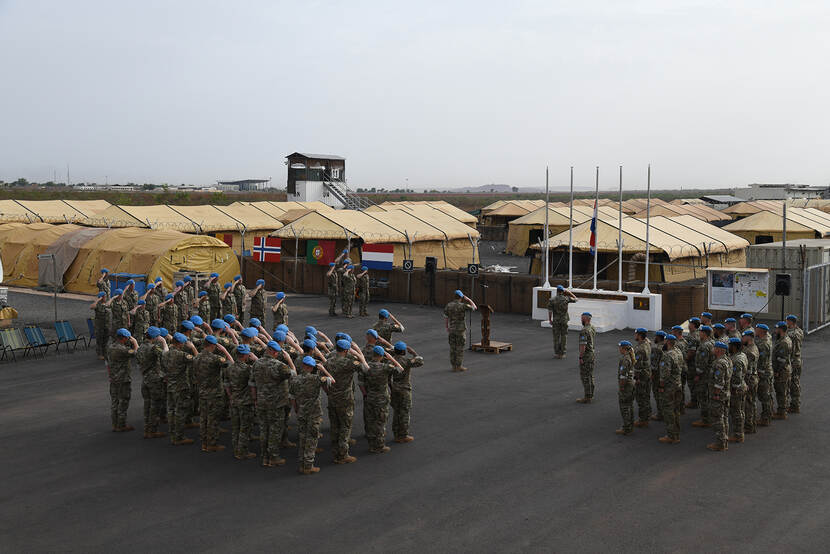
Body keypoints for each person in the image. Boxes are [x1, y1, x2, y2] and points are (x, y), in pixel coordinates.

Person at [252, 340, 296, 467]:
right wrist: (289, 360)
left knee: (264, 430)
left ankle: (264, 456)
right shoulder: (279, 365)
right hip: (276, 404)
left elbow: (252, 383)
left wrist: (255, 399)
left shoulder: (257, 363)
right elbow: (293, 374)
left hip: (261, 402)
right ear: (273, 352)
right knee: (275, 430)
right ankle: (273, 457)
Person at [326, 338, 369, 464]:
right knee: (345, 426)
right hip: (345, 398)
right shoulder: (348, 363)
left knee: (335, 426)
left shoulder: (329, 361)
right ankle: (343, 455)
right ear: (346, 350)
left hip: (332, 396)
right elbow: (366, 368)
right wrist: (358, 354)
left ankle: (335, 453)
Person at [290, 356, 335, 474]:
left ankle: (302, 464)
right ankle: (308, 466)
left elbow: (292, 398)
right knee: (312, 439)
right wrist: (323, 370)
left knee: (303, 438)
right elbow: (332, 380)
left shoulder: (295, 380)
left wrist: (296, 409)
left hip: (301, 412)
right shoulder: (316, 379)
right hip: (313, 413)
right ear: (312, 367)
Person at [193, 334, 233, 453]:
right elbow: (232, 364)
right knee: (213, 419)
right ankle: (211, 443)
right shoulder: (215, 358)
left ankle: (204, 442)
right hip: (214, 393)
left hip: (202, 390)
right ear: (212, 345)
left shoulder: (197, 357)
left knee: (203, 417)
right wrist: (225, 351)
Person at [361, 345, 405, 453]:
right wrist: (390, 358)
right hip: (381, 398)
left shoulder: (367, 367)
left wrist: (365, 394)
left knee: (371, 421)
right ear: (382, 355)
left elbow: (361, 383)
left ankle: (371, 445)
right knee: (380, 422)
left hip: (370, 396)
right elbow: (400, 368)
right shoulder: (385, 367)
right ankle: (379, 446)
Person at [163, 332, 198, 446]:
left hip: (170, 385)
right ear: (180, 344)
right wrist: (193, 348)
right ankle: (179, 436)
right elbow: (198, 360)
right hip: (180, 386)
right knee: (180, 412)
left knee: (171, 410)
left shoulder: (166, 354)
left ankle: (172, 433)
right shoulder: (181, 355)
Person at [225, 344, 258, 459]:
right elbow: (255, 379)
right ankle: (242, 452)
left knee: (235, 427)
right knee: (245, 427)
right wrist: (256, 360)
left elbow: (227, 385)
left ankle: (236, 449)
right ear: (245, 355)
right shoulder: (247, 369)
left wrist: (230, 397)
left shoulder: (229, 368)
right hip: (245, 402)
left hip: (234, 400)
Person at [136, 327, 168, 439]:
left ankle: (147, 429)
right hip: (154, 380)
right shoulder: (153, 348)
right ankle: (152, 430)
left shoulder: (140, 347)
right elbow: (166, 355)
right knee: (155, 405)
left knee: (147, 405)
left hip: (145, 378)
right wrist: (164, 342)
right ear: (155, 337)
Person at [390, 341, 424, 443]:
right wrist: (414, 353)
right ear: (404, 352)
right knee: (404, 412)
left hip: (394, 388)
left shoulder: (391, 361)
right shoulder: (407, 361)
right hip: (404, 390)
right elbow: (420, 361)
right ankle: (403, 435)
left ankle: (396, 434)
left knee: (396, 412)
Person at [107, 328, 138, 432]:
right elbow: (136, 353)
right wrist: (135, 342)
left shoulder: (110, 347)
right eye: (128, 338)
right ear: (124, 338)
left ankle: (115, 424)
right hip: (123, 379)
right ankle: (121, 425)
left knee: (114, 402)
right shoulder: (122, 349)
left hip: (113, 378)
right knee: (123, 401)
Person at [707, 341, 733, 452]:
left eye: (714, 348)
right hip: (726, 394)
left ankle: (720, 443)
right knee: (724, 417)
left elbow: (719, 382)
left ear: (718, 350)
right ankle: (724, 440)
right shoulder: (727, 360)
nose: (713, 349)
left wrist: (716, 394)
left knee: (718, 418)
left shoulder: (719, 363)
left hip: (719, 395)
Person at [657, 334, 682, 444]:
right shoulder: (678, 352)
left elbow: (665, 374)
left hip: (669, 388)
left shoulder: (667, 355)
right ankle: (676, 433)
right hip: (677, 385)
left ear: (667, 342)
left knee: (668, 411)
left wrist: (661, 386)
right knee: (676, 410)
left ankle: (671, 435)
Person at [443, 290, 477, 372]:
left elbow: (446, 317)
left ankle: (453, 366)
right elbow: (474, 307)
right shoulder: (462, 306)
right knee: (460, 348)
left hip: (452, 329)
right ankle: (458, 366)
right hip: (460, 330)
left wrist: (447, 327)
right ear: (461, 297)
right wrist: (468, 299)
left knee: (452, 348)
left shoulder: (449, 305)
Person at [691, 325, 715, 429]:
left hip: (704, 375)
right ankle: (709, 417)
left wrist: (698, 375)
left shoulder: (704, 346)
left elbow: (702, 363)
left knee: (703, 396)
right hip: (710, 373)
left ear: (704, 333)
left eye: (700, 332)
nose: (699, 333)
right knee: (708, 395)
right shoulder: (713, 342)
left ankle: (706, 419)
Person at [547, 285, 577, 358]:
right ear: (563, 291)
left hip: (556, 320)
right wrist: (569, 293)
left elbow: (550, 311)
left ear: (557, 291)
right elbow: (576, 299)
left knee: (556, 337)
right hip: (564, 320)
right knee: (564, 336)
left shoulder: (552, 300)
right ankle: (562, 353)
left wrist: (550, 319)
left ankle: (557, 353)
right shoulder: (566, 298)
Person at [727, 337, 747, 444]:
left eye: (729, 345)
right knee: (739, 411)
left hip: (737, 389)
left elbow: (737, 377)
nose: (728, 347)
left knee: (737, 412)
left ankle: (738, 435)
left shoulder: (737, 360)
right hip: (740, 387)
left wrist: (734, 388)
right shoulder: (741, 355)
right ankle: (739, 433)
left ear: (734, 346)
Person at [755, 324, 774, 426]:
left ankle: (766, 418)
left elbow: (762, 361)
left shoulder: (763, 344)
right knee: (767, 394)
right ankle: (768, 414)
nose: (755, 330)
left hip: (764, 373)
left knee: (764, 395)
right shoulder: (767, 338)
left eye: (757, 329)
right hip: (767, 371)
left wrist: (759, 373)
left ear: (761, 331)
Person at [772, 322, 792, 420]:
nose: (775, 331)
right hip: (785, 369)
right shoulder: (784, 339)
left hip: (782, 371)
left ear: (780, 329)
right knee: (783, 391)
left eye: (776, 329)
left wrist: (777, 371)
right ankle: (783, 410)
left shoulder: (783, 342)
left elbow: (782, 360)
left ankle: (782, 412)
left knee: (781, 391)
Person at [616, 340, 636, 436]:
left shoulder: (625, 359)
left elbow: (623, 376)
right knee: (630, 406)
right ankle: (630, 425)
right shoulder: (630, 357)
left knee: (624, 407)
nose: (619, 349)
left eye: (620, 347)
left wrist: (621, 387)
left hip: (626, 386)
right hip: (631, 384)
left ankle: (627, 427)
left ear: (623, 348)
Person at [632, 328, 652, 427]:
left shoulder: (639, 349)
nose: (634, 335)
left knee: (641, 398)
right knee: (646, 396)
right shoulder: (647, 343)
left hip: (642, 376)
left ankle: (643, 420)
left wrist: (636, 378)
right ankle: (647, 415)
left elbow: (638, 366)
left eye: (636, 334)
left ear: (639, 335)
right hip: (648, 373)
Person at [741, 329, 759, 435]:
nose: (742, 339)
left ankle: (749, 426)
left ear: (748, 337)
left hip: (749, 380)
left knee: (748, 404)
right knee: (751, 403)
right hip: (754, 378)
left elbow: (748, 370)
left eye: (743, 337)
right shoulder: (754, 347)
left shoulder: (749, 352)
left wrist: (745, 383)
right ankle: (751, 424)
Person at [786, 314, 804, 414]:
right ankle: (794, 404)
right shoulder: (799, 331)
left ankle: (795, 405)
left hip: (793, 360)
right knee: (795, 382)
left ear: (791, 322)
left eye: (787, 321)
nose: (786, 323)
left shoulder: (792, 333)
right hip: (797, 359)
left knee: (794, 383)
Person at [577, 312, 596, 403]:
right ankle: (591, 393)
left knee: (585, 376)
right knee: (590, 375)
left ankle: (587, 397)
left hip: (586, 356)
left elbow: (583, 346)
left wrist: (581, 357)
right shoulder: (592, 328)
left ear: (585, 319)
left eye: (582, 318)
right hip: (592, 354)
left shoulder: (584, 330)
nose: (581, 320)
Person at [649, 331, 666, 421]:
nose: (654, 338)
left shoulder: (657, 349)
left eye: (655, 337)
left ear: (658, 338)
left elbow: (654, 364)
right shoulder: (666, 347)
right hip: (666, 374)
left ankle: (660, 413)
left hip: (658, 375)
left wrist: (652, 375)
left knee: (657, 394)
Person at [684, 317, 701, 408]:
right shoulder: (698, 333)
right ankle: (696, 400)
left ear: (693, 325)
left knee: (692, 383)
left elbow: (691, 352)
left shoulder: (692, 336)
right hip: (696, 362)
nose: (688, 325)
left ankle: (694, 401)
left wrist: (683, 360)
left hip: (692, 364)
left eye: (689, 323)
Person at [90, 292, 110, 359]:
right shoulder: (98, 305)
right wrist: (98, 299)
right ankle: (100, 354)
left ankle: (105, 353)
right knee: (99, 340)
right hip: (99, 326)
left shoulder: (106, 304)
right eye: (104, 297)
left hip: (106, 325)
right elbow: (91, 307)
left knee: (105, 340)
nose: (105, 298)